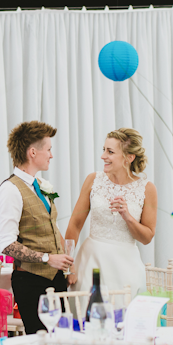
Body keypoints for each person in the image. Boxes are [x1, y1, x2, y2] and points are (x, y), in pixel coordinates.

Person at [0, 121, 74, 334]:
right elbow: (7, 244)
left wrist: (64, 258)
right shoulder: (10, 190)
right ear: (32, 152)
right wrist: (48, 258)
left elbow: (50, 223)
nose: (51, 155)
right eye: (48, 149)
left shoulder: (39, 185)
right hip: (30, 282)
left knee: (61, 342)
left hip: (56, 278)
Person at [65, 128, 157, 300]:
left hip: (126, 268)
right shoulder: (93, 180)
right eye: (103, 150)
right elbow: (75, 225)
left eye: (110, 152)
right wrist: (68, 266)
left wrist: (128, 217)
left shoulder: (147, 188)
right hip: (90, 263)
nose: (103, 156)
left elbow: (147, 237)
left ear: (129, 158)